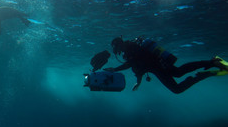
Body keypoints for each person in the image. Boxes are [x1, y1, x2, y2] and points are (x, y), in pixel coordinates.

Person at [92, 36, 228, 94]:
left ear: (118, 44)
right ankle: (211, 62)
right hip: (159, 66)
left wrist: (115, 69)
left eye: (115, 47)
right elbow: (136, 68)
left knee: (177, 88)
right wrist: (138, 82)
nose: (116, 50)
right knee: (179, 72)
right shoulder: (129, 51)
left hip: (159, 66)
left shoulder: (130, 47)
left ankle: (205, 72)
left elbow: (132, 64)